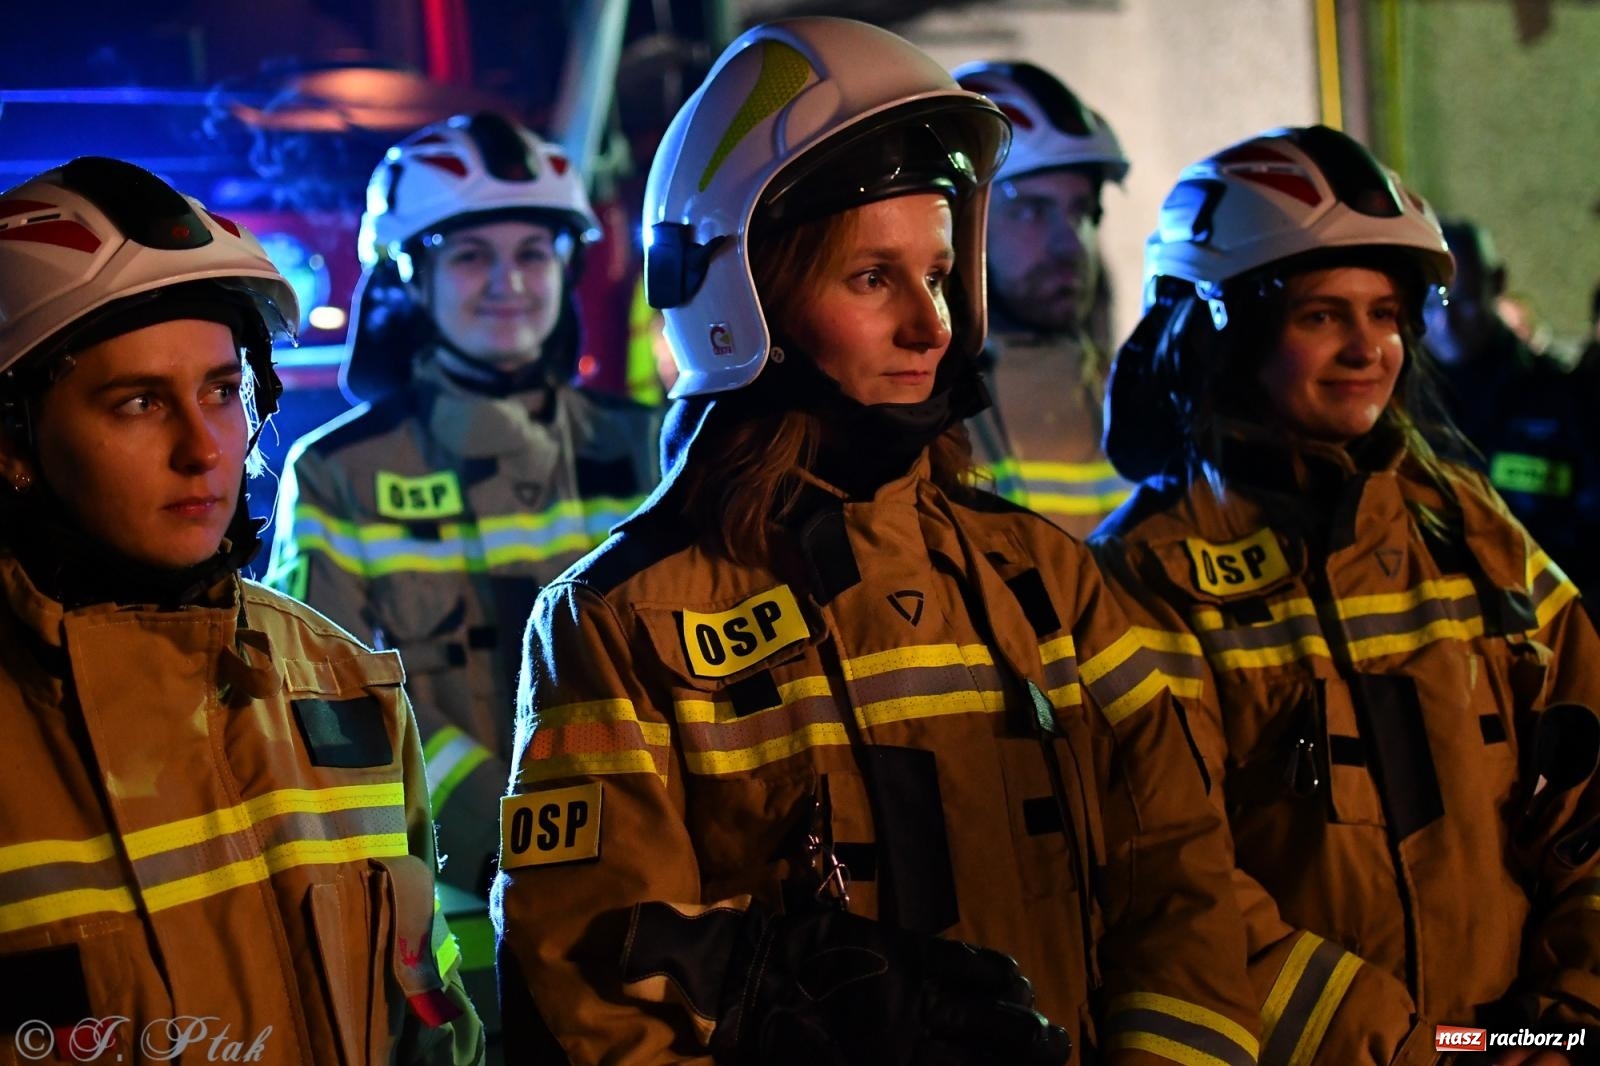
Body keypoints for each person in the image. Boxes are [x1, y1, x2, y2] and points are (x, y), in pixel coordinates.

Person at [494, 17, 1260, 1066]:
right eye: (872, 278)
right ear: (749, 297)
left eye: (938, 273)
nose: (930, 324)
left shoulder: (1048, 578)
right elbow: (596, 997)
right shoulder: (619, 624)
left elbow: (1184, 884)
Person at [1094, 126, 1600, 1064]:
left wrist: (1564, 1017)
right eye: (1323, 315)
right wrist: (1414, 1050)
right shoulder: (1142, 579)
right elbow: (1180, 880)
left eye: (1387, 314)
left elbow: (1589, 791)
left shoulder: (1470, 531)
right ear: (1226, 334)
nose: (1369, 349)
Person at [0, 157, 481, 1061]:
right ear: (13, 440)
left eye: (223, 392)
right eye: (138, 402)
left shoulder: (340, 684)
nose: (204, 449)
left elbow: (429, 1023)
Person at [267, 112, 661, 905]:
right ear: (410, 277)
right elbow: (322, 705)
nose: (508, 283)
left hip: (660, 890)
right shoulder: (340, 474)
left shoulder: (650, 446)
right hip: (462, 924)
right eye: (472, 255)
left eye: (533, 253)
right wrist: (525, 846)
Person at [951, 61, 1134, 539]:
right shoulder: (914, 419)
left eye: (1082, 211)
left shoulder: (1136, 400)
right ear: (953, 224)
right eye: (1032, 210)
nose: (1069, 243)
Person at [1423, 218, 1600, 608]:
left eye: (1463, 301)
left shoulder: (1565, 398)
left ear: (1496, 283)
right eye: (1429, 304)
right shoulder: (1394, 408)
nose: (1445, 322)